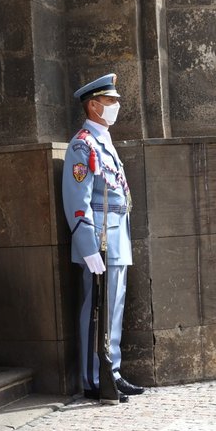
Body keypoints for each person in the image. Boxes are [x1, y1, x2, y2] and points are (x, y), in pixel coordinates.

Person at [61, 73, 145, 403]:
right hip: (99, 240)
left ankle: (113, 370)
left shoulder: (103, 143)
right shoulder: (83, 144)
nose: (116, 107)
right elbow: (77, 198)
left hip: (116, 237)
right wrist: (87, 245)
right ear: (94, 106)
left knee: (114, 309)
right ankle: (93, 377)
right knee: (96, 309)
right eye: (110, 102)